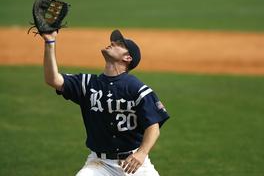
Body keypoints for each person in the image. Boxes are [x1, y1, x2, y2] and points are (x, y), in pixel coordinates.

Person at [41, 29, 169, 176]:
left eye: (119, 44)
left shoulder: (137, 88)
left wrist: (141, 153)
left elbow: (153, 127)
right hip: (100, 164)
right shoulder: (88, 84)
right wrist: (49, 42)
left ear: (127, 58)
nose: (112, 43)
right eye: (113, 41)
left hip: (135, 163)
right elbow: (53, 80)